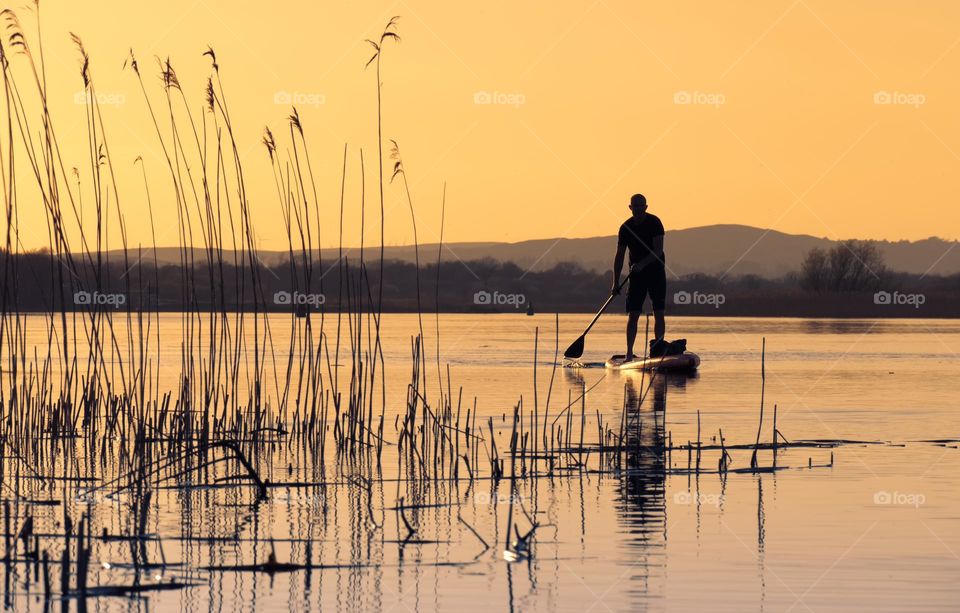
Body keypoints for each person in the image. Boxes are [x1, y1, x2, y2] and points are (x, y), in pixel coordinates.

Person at [611, 193, 665, 361]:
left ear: (646, 207)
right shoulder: (625, 228)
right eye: (636, 206)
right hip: (636, 276)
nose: (639, 209)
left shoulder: (655, 222)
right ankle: (629, 353)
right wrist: (615, 283)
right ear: (630, 208)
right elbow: (619, 256)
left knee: (659, 312)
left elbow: (658, 251)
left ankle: (658, 351)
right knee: (633, 314)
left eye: (641, 206)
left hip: (655, 272)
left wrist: (642, 264)